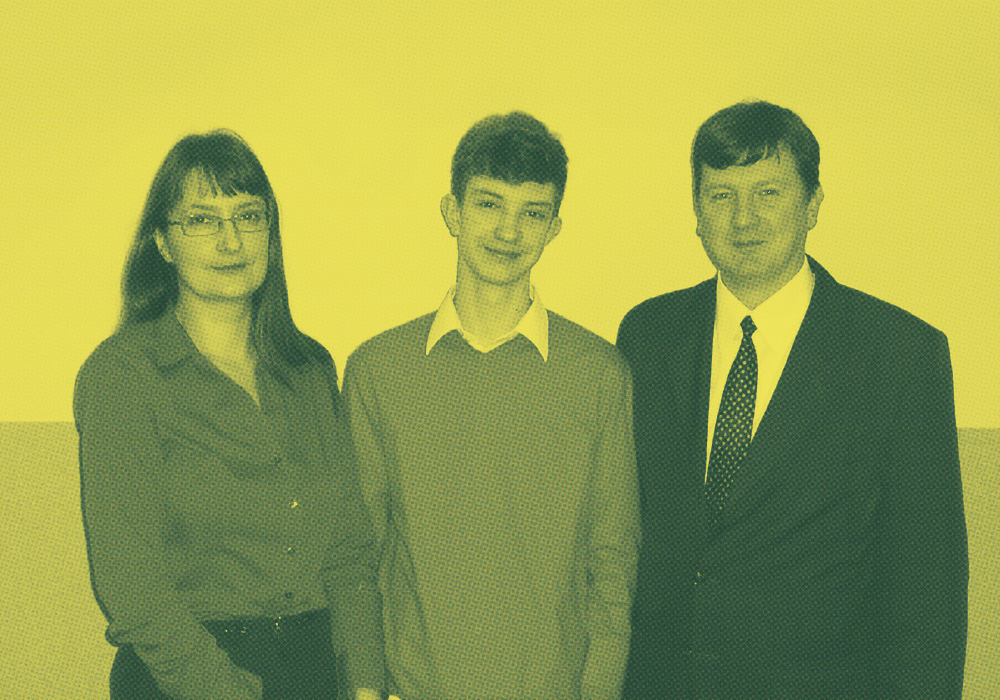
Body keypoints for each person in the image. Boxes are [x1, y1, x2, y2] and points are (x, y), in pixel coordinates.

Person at [616, 100, 969, 699]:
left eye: (768, 193)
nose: (743, 218)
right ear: (696, 212)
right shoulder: (648, 334)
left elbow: (927, 589)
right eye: (720, 195)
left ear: (813, 204)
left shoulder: (900, 355)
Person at [74, 131, 385, 700]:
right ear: (162, 243)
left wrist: (365, 682)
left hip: (317, 673)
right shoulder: (124, 375)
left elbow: (349, 551)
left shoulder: (309, 369)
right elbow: (133, 589)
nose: (231, 240)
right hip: (185, 676)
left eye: (248, 215)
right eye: (201, 220)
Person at [341, 112, 640, 700]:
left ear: (554, 228)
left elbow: (613, 564)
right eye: (489, 204)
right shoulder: (378, 370)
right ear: (452, 212)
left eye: (532, 212)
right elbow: (357, 557)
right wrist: (366, 689)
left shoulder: (599, 375)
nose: (509, 230)